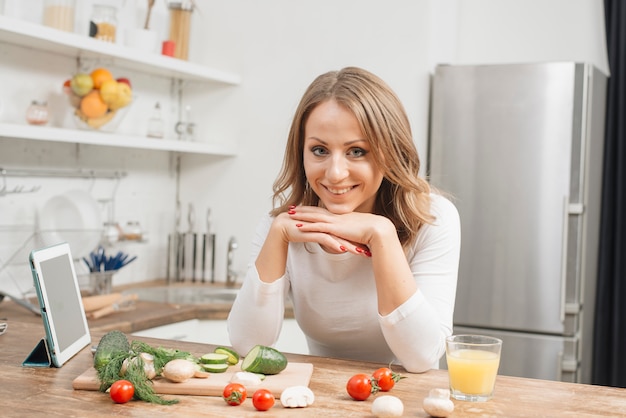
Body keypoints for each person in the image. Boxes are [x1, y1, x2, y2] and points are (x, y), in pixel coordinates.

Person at [227, 67, 460, 373]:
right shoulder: (284, 227)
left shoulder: (432, 218)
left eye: (357, 151)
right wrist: (277, 237)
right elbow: (248, 347)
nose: (335, 173)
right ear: (301, 153)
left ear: (389, 152)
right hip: (323, 397)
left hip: (407, 399)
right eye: (320, 150)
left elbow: (422, 358)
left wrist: (383, 236)